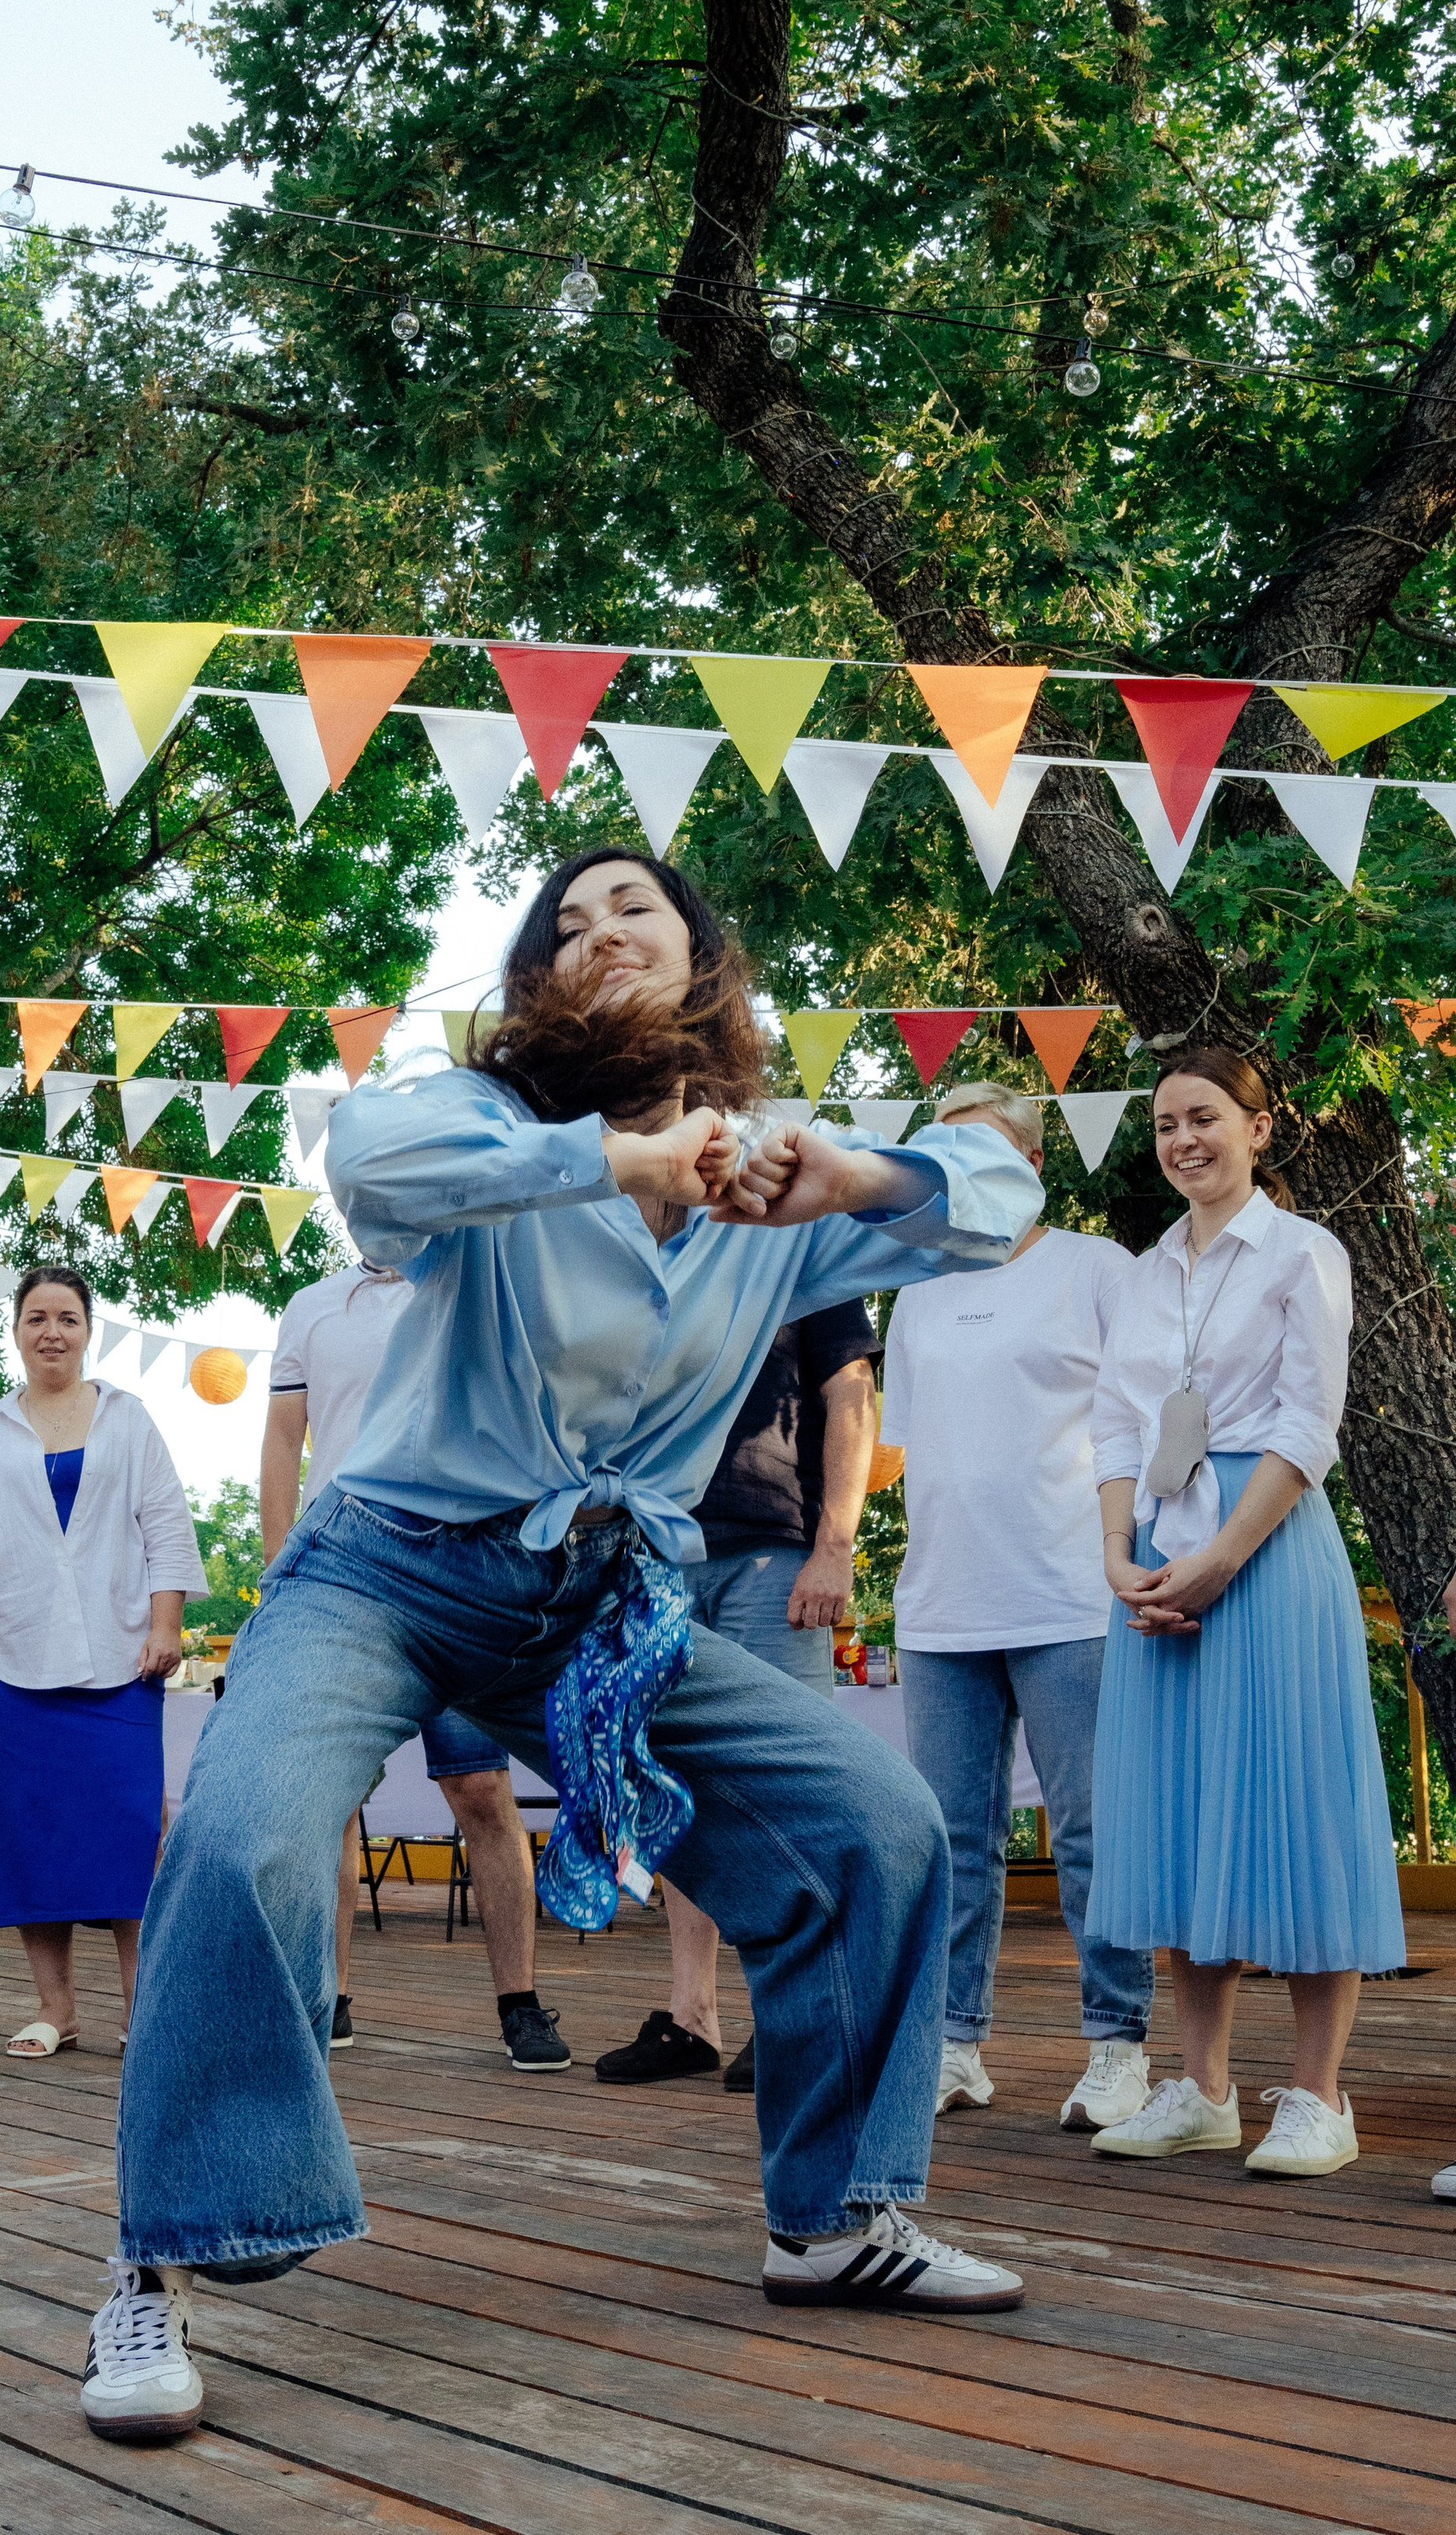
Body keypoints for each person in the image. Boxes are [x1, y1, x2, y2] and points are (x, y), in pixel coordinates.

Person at [78, 849, 1046, 2446]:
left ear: (701, 960)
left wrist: (847, 1183)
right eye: (564, 923)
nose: (594, 931)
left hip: (593, 1607)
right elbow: (371, 1151)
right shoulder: (501, 1137)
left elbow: (998, 1191)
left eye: (633, 912)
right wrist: (621, 1160)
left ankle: (831, 2220)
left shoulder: (777, 1195)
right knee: (243, 1840)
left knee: (871, 1825)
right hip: (386, 1566)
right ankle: (157, 2261)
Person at [1084, 1046, 1403, 2178]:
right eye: (1167, 1123)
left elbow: (1308, 1428)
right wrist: (1122, 1555)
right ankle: (1200, 2087)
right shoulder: (1139, 1274)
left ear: (1259, 1129)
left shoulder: (1304, 1254)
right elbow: (1119, 1428)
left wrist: (1220, 1560)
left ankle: (1320, 2096)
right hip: (1163, 1553)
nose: (1184, 1140)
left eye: (1206, 1117)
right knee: (1177, 1813)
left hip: (1263, 1550)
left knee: (1299, 1803)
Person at [882, 1078, 1153, 2133]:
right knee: (949, 1839)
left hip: (1073, 1592)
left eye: (986, 1149)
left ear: (1034, 1165)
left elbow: (1147, 1425)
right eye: (946, 1151)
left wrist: (1139, 1557)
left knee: (1093, 1832)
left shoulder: (1096, 1269)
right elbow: (909, 1449)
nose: (965, 1169)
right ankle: (955, 2044)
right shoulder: (913, 1287)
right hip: (943, 1600)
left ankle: (1117, 2043)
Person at [263, 1258, 571, 2074]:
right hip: (341, 1578)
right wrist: (276, 1570)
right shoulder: (311, 1305)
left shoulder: (478, 1280)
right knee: (327, 1801)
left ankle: (520, 2002)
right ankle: (327, 1997)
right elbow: (281, 1442)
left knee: (480, 1789)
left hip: (458, 1572)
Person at [0, 1265, 206, 2056]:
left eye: (68, 1317)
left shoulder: (128, 1418)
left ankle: (145, 2011)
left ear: (89, 1330)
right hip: (10, 1663)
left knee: (130, 1827)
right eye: (37, 1317)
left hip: (121, 1659)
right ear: (16, 1329)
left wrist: (165, 1625)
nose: (52, 1331)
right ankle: (55, 2007)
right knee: (29, 1831)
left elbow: (167, 1530)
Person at [595, 1295, 878, 2092]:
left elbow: (851, 1392)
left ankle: (797, 2017)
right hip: (652, 1558)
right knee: (675, 1788)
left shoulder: (800, 1246)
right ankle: (693, 2018)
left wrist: (835, 1546)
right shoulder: (646, 1256)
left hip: (772, 1552)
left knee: (796, 1793)